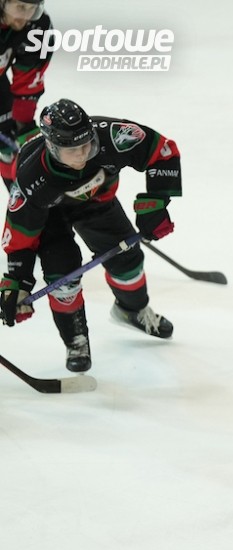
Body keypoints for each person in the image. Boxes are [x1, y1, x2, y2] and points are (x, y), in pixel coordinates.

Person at [0, 98, 182, 371]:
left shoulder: (111, 136)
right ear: (52, 147)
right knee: (62, 277)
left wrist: (155, 202)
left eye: (87, 145)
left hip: (96, 203)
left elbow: (162, 151)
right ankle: (75, 340)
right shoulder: (31, 177)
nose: (82, 154)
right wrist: (17, 281)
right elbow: (20, 235)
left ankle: (131, 310)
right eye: (73, 150)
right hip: (50, 217)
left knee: (127, 260)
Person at [0, 0, 52, 189]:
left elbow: (28, 77)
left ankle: (23, 198)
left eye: (32, 9)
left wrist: (24, 125)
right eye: (20, 7)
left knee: (10, 147)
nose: (25, 17)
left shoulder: (37, 27)